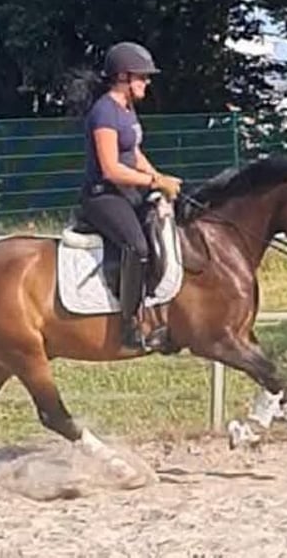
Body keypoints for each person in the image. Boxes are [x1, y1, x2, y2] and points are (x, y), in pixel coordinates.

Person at [73, 41, 183, 350]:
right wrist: (152, 182)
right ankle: (130, 325)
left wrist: (161, 179)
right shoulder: (104, 113)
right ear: (123, 77)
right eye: (142, 77)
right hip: (102, 195)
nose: (147, 83)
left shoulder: (127, 109)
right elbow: (111, 168)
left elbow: (133, 154)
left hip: (127, 190)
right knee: (137, 246)